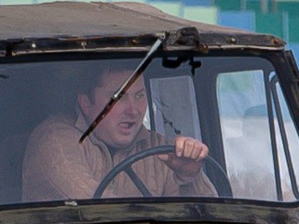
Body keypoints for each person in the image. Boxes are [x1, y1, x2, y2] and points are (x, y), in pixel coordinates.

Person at [22, 61, 210, 201]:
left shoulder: (160, 150)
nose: (134, 110)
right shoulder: (55, 140)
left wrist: (189, 176)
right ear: (86, 103)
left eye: (140, 96)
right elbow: (91, 208)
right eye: (119, 98)